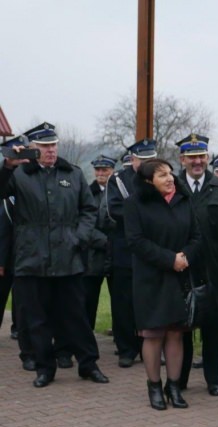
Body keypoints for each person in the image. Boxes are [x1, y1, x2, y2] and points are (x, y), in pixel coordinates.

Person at [0, 122, 109, 388]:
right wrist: (7, 167)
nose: (50, 150)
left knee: (75, 315)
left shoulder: (71, 173)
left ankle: (88, 363)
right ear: (32, 148)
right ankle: (45, 367)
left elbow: (88, 209)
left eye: (53, 145)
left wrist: (79, 237)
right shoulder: (20, 174)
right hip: (31, 257)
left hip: (67, 257)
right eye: (44, 146)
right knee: (36, 318)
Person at [124, 158, 202, 410]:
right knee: (154, 333)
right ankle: (154, 386)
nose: (170, 178)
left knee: (175, 333)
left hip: (180, 275)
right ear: (148, 181)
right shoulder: (135, 204)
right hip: (151, 277)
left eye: (170, 173)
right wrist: (170, 260)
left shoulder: (183, 199)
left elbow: (196, 236)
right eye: (161, 176)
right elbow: (136, 241)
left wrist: (184, 257)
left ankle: (174, 386)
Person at [176, 133, 218, 396]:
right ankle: (180, 377)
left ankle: (214, 379)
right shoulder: (171, 187)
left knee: (215, 326)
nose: (197, 161)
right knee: (181, 326)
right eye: (191, 157)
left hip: (214, 269)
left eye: (201, 156)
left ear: (207, 158)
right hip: (182, 268)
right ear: (182, 159)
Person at [107, 139, 157, 367]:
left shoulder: (163, 178)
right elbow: (114, 209)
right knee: (123, 302)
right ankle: (126, 348)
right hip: (125, 250)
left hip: (153, 250)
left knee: (152, 301)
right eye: (143, 160)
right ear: (133, 160)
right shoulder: (118, 180)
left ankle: (154, 346)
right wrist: (144, 216)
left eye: (151, 159)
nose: (147, 164)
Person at [82, 154, 114, 330]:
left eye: (105, 169)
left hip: (116, 254)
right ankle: (86, 337)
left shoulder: (118, 193)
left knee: (120, 301)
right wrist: (105, 241)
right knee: (88, 301)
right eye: (98, 170)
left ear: (112, 171)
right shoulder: (87, 192)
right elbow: (84, 222)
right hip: (93, 255)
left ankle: (122, 340)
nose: (101, 173)